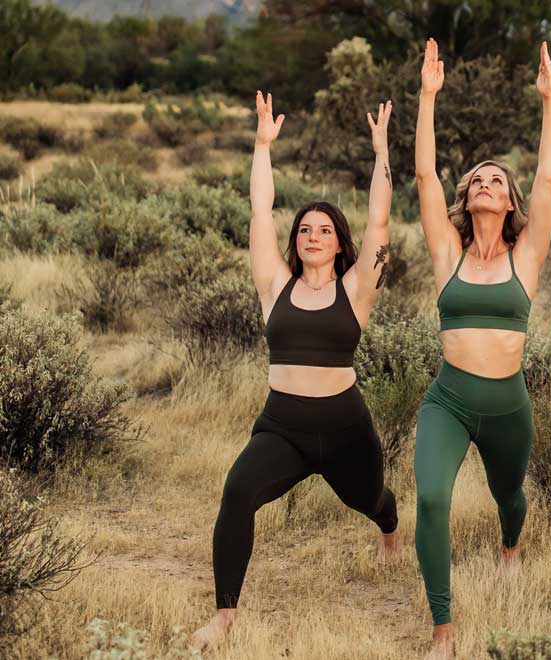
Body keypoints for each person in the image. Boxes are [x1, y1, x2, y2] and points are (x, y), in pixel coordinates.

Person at [190, 92, 399, 651]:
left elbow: (380, 217)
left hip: (347, 427)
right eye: (305, 228)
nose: (312, 235)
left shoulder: (355, 290)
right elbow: (260, 211)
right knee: (237, 492)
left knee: (370, 498)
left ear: (339, 244)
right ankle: (225, 616)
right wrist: (261, 147)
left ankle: (390, 527)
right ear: (296, 239)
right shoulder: (273, 287)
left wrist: (381, 151)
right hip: (282, 428)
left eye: (325, 230)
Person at [411, 38, 551, 659]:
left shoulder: (527, 257)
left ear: (510, 201)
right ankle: (442, 627)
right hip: (448, 398)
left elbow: (549, 176)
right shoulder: (448, 251)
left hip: (507, 404)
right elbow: (423, 173)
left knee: (509, 494)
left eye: (496, 181)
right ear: (467, 198)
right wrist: (427, 97)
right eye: (476, 179)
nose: (484, 184)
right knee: (434, 497)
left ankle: (510, 545)